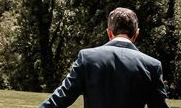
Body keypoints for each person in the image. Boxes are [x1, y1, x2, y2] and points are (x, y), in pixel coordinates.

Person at [39, 7, 168, 108]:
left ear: (109, 33)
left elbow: (61, 98)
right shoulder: (152, 66)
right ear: (136, 33)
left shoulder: (87, 58)